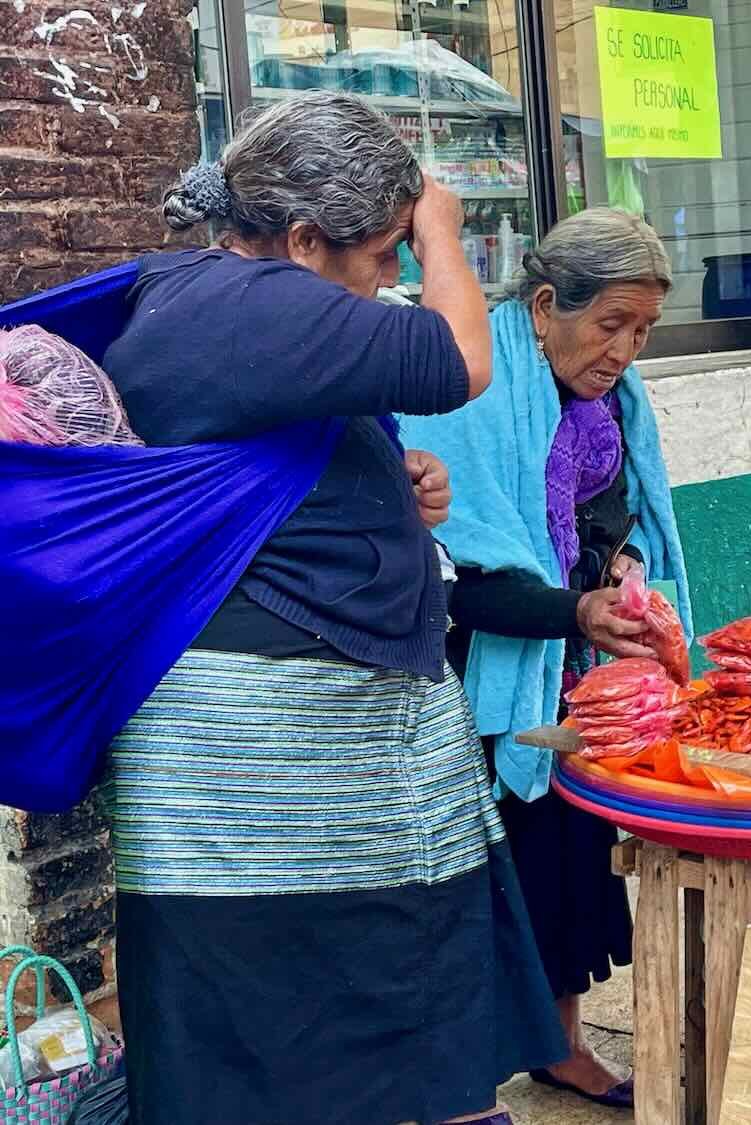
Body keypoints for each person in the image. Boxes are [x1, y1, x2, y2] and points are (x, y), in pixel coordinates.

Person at [100, 92, 566, 1125]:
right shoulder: (262, 300)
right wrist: (442, 223)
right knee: (302, 992)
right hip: (278, 740)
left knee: (327, 984)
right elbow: (460, 361)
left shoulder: (218, 297)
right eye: (389, 249)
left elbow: (247, 452)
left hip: (304, 726)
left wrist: (379, 484)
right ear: (307, 239)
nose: (396, 274)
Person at [399, 207, 692, 1111]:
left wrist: (623, 570)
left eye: (642, 330)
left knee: (569, 854)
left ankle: (562, 1044)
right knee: (478, 883)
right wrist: (576, 606)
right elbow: (458, 574)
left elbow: (613, 518)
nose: (626, 351)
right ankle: (456, 1080)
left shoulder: (610, 407)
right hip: (467, 677)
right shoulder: (474, 397)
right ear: (541, 306)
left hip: (569, 667)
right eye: (611, 325)